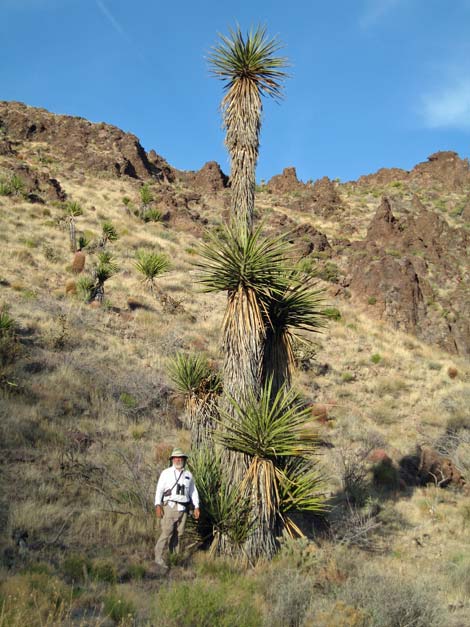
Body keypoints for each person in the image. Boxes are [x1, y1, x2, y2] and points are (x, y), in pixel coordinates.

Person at [154, 448, 200, 570]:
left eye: (180, 458)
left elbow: (193, 492)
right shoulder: (166, 473)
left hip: (183, 508)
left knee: (179, 534)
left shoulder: (188, 475)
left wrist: (197, 506)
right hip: (170, 506)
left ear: (184, 460)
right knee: (166, 532)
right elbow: (159, 489)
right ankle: (158, 557)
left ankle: (174, 557)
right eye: (176, 458)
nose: (178, 460)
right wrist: (158, 505)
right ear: (172, 459)